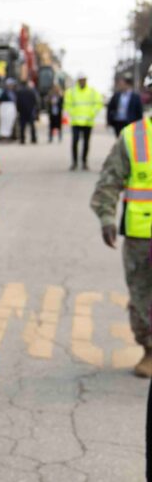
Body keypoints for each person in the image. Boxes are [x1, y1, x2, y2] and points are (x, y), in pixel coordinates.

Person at [90, 113, 152, 377]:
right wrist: (106, 217)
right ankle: (150, 349)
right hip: (142, 234)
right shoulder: (135, 136)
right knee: (142, 294)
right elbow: (109, 181)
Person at [65, 72, 102, 170]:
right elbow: (67, 105)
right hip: (76, 122)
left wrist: (91, 113)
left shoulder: (92, 91)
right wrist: (73, 113)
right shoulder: (71, 92)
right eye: (80, 80)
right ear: (78, 81)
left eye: (84, 80)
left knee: (86, 143)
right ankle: (74, 162)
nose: (82, 81)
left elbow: (98, 104)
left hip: (88, 122)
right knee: (75, 142)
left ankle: (84, 162)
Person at [15, 79, 39, 144]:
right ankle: (33, 139)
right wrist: (35, 110)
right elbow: (35, 102)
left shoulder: (19, 92)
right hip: (30, 111)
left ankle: (22, 139)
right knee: (32, 126)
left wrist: (19, 110)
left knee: (22, 126)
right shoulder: (32, 92)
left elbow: (17, 102)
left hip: (22, 112)